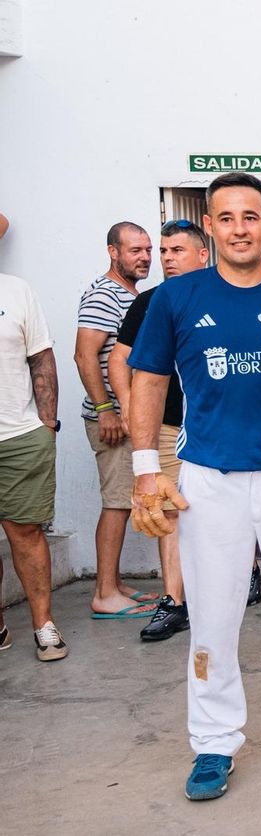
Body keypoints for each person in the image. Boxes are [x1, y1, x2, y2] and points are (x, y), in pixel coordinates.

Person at [126, 172, 261, 800]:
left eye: (250, 217)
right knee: (214, 619)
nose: (239, 229)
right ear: (211, 228)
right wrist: (147, 468)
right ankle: (214, 743)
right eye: (226, 218)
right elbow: (146, 381)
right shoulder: (176, 299)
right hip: (209, 481)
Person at [108, 219, 211, 642]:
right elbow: (120, 360)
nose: (165, 259)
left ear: (203, 254)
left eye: (176, 251)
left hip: (214, 428)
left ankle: (242, 579)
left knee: (231, 509)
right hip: (169, 427)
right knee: (170, 512)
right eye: (163, 251)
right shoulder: (149, 302)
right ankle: (175, 602)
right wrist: (133, 413)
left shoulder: (226, 296)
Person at [74, 221, 156, 620]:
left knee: (123, 500)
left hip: (125, 416)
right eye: (135, 250)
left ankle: (114, 582)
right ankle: (105, 593)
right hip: (113, 419)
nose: (144, 257)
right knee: (117, 504)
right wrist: (106, 409)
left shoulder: (129, 294)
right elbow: (84, 355)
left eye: (148, 250)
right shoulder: (104, 295)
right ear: (113, 252)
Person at [0, 272, 65, 661]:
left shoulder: (17, 289)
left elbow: (41, 357)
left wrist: (48, 425)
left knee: (25, 532)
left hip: (20, 435)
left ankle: (44, 626)